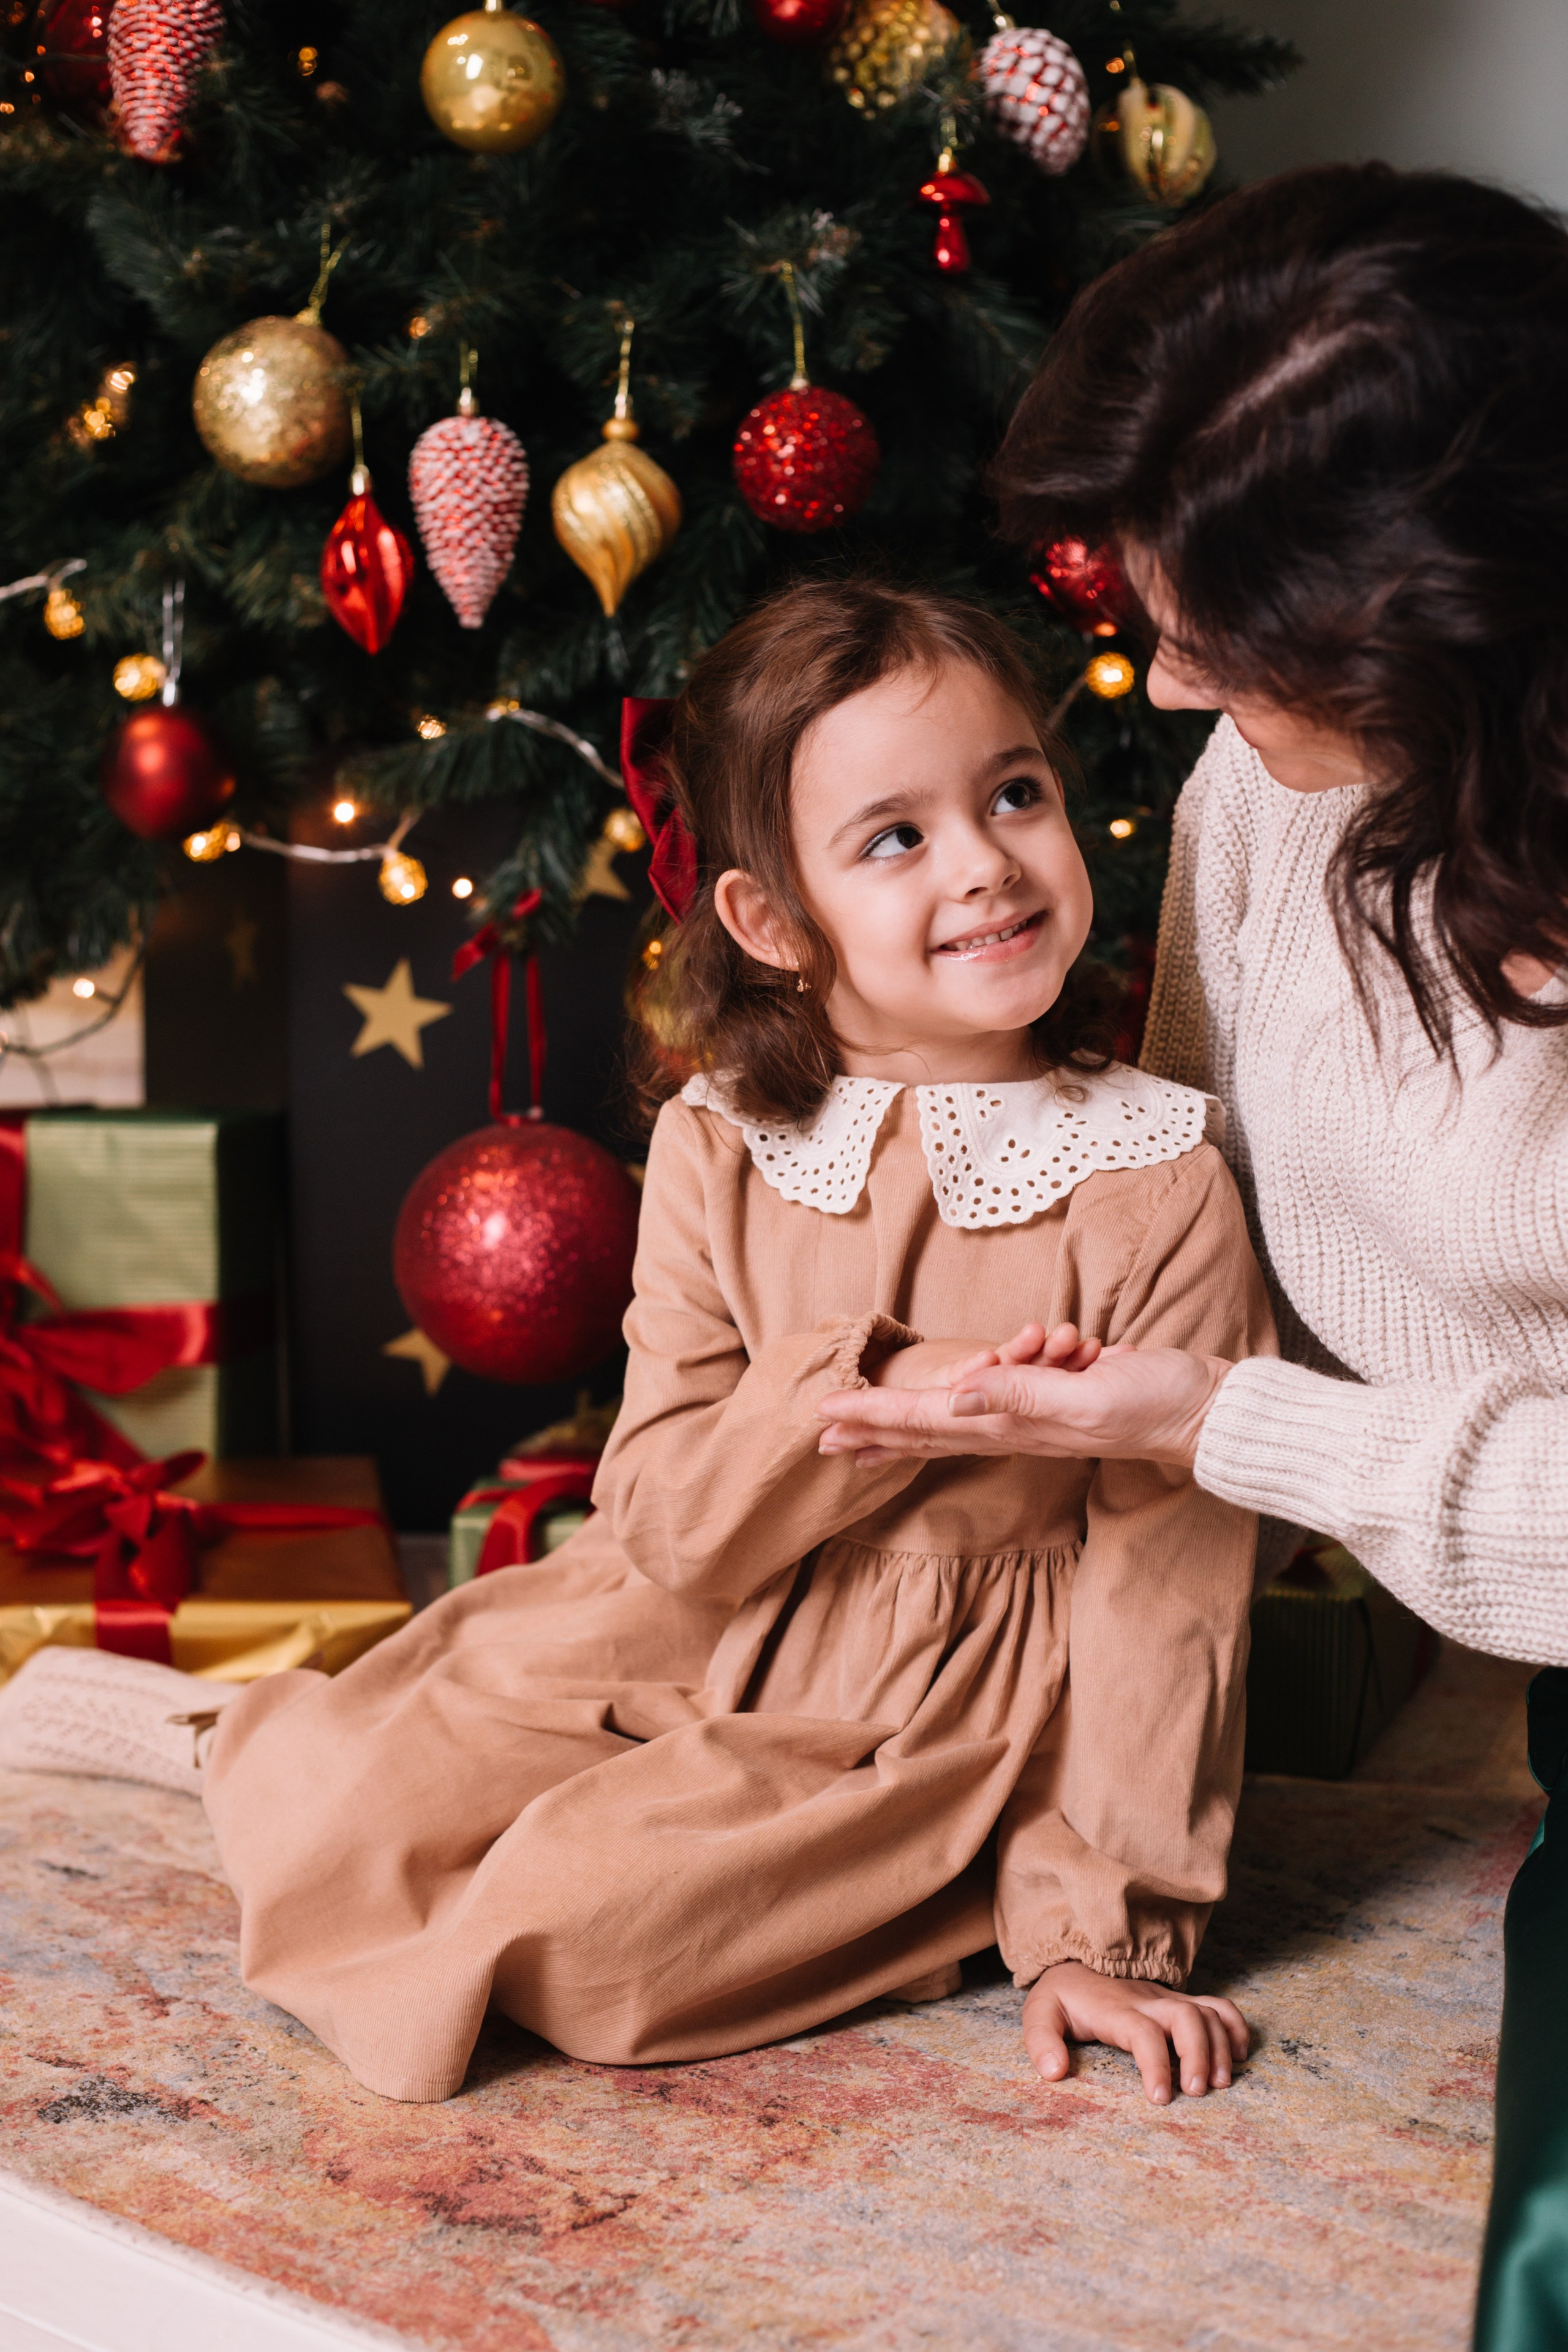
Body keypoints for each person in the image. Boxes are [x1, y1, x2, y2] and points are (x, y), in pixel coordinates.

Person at [0, 576, 1272, 2108]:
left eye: (1014, 794)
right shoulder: (721, 1144)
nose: (988, 867)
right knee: (369, 1777)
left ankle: (577, 1836)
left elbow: (1168, 1593)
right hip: (687, 1605)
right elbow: (662, 1511)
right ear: (770, 921)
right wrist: (864, 1396)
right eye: (895, 837)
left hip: (919, 1703)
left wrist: (1100, 1934)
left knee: (588, 1935)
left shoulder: (1157, 1183)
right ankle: (232, 1743)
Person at [812, 167, 1568, 2351]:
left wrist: (1228, 1421)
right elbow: (1181, 1209)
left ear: (1450, 617)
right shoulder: (1273, 788)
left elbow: (1221, 1394)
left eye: (1216, 628)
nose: (1153, 675)